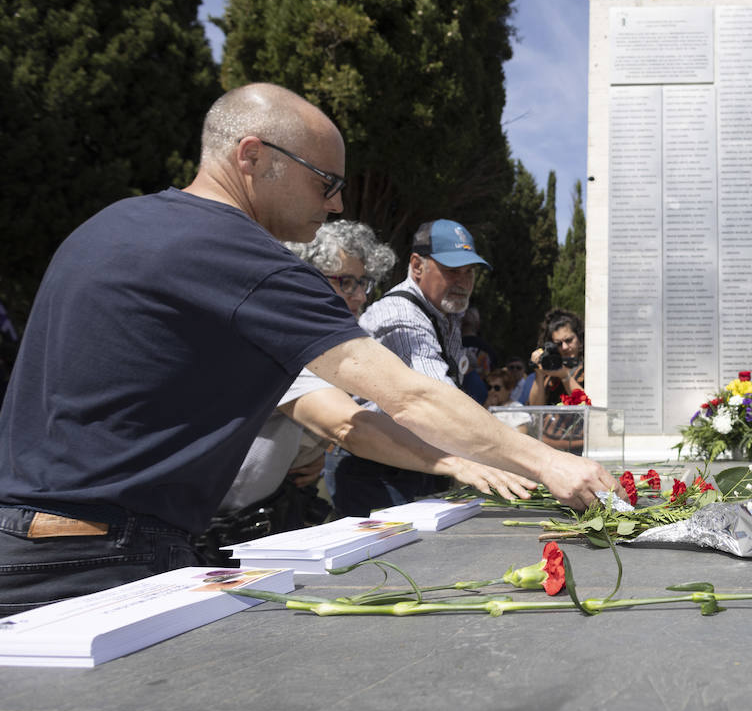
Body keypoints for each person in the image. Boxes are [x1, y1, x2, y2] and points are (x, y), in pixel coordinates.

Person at [0, 83, 615, 615]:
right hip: (103, 556)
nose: (337, 204)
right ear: (252, 157)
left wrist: (455, 462)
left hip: (24, 541)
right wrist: (548, 464)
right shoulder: (244, 260)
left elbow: (336, 412)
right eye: (325, 182)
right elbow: (406, 394)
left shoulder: (109, 225)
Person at [203, 222, 532, 550]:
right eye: (346, 283)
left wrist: (312, 451)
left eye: (364, 283)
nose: (360, 297)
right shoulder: (280, 339)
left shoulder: (331, 342)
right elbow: (351, 426)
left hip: (260, 518)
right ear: (302, 278)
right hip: (207, 530)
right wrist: (463, 463)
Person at [329, 219, 496, 513]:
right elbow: (437, 403)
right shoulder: (401, 316)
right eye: (451, 270)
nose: (463, 281)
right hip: (377, 471)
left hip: (420, 462)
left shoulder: (446, 312)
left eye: (469, 271)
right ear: (417, 266)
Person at [527, 309, 588, 453]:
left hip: (580, 447)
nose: (565, 347)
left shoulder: (589, 368)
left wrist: (565, 376)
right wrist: (539, 374)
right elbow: (536, 410)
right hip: (549, 448)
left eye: (569, 340)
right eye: (558, 344)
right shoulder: (550, 371)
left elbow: (586, 406)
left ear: (579, 338)